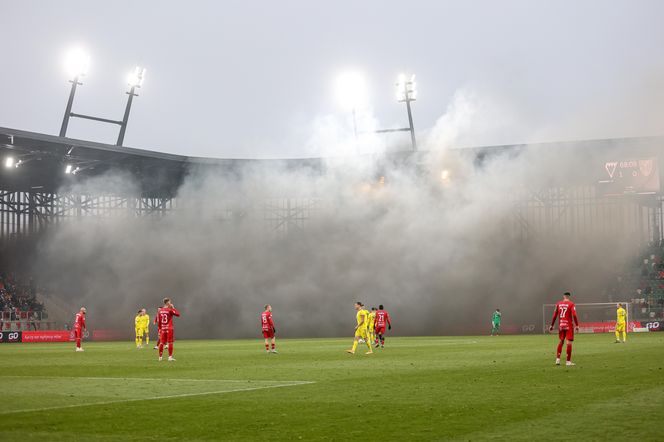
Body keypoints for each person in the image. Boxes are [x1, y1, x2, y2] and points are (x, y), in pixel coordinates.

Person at [549, 292, 579, 366]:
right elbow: (574, 315)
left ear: (563, 296)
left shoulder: (558, 304)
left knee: (561, 341)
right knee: (569, 343)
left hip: (561, 325)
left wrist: (551, 325)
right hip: (568, 325)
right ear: (569, 296)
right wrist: (577, 325)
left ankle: (557, 360)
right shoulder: (571, 304)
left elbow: (554, 315)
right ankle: (568, 362)